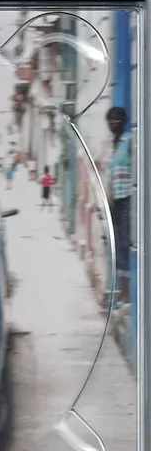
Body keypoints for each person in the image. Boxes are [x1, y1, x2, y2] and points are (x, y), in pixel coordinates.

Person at [104, 106, 133, 307]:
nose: (112, 126)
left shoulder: (130, 141)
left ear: (123, 122)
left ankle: (127, 295)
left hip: (128, 200)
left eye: (115, 122)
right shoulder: (113, 146)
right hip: (115, 202)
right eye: (110, 123)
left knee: (125, 245)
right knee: (117, 247)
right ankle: (120, 293)